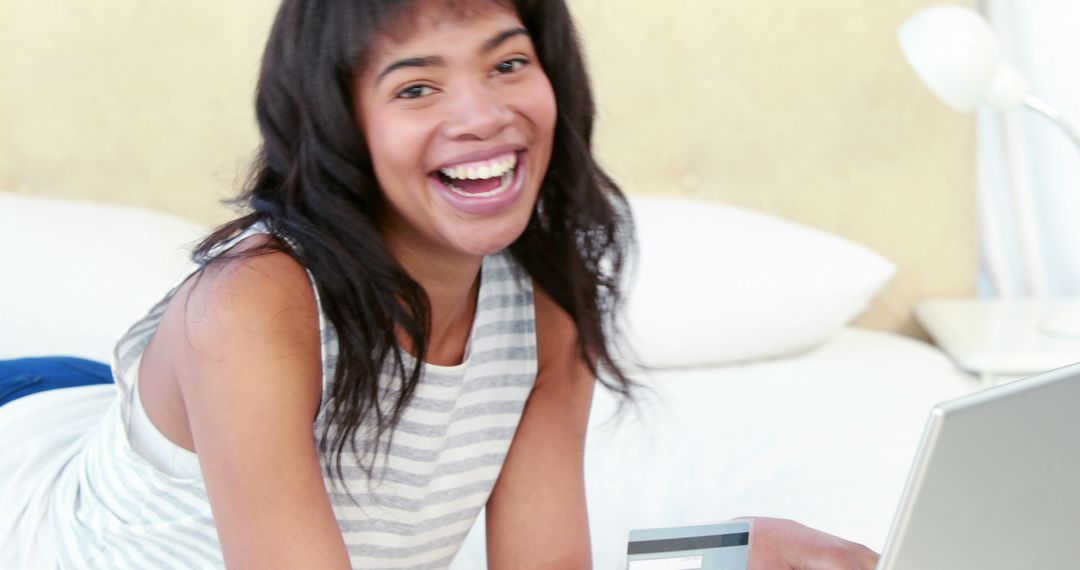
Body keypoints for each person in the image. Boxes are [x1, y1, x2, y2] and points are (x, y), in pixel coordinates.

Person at [0, 0, 881, 568]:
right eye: (416, 86)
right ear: (342, 127)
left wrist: (718, 560)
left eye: (507, 64)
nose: (484, 115)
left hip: (127, 427)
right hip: (26, 470)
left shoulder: (544, 301)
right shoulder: (253, 307)